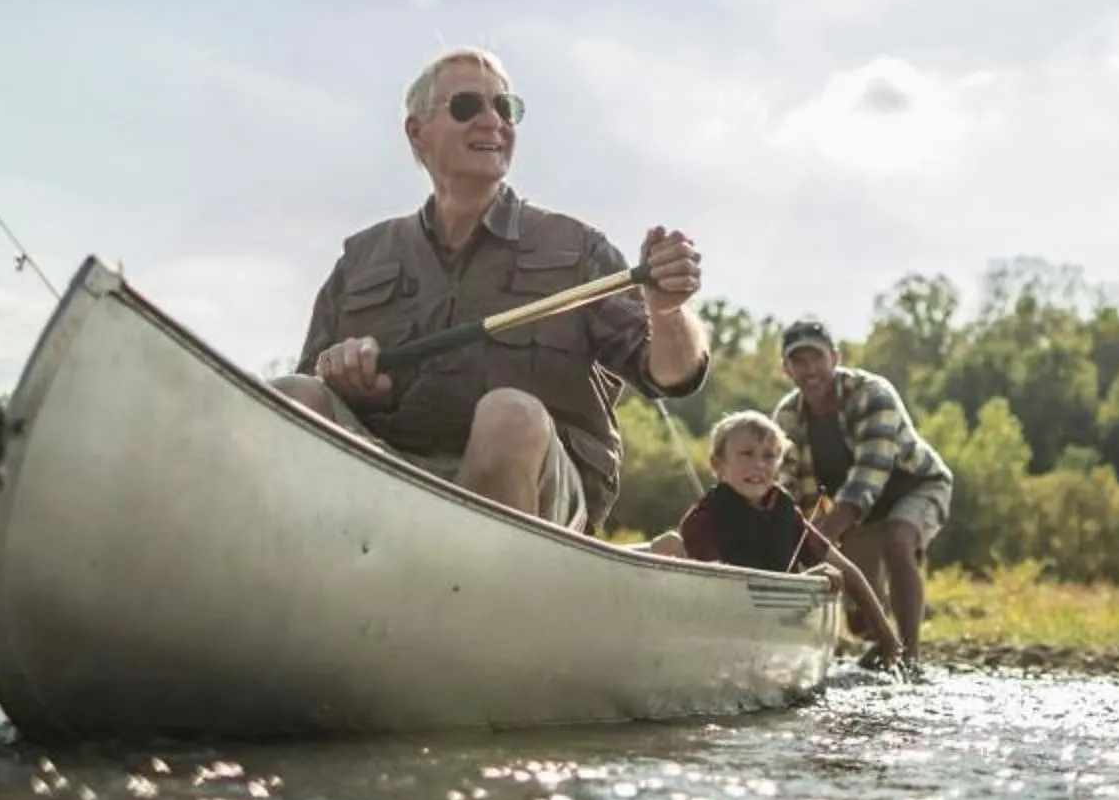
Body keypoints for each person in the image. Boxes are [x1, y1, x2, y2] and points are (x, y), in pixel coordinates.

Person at [272, 48, 709, 531]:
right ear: (417, 133)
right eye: (467, 107)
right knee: (290, 396)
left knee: (509, 417)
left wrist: (668, 312)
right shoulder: (361, 260)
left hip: (541, 502)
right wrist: (347, 380)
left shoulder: (576, 247)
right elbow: (306, 395)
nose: (492, 122)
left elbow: (672, 375)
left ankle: (501, 599)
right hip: (390, 475)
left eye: (506, 108)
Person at [772, 319, 954, 672]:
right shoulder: (787, 416)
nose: (810, 370)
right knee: (860, 619)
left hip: (915, 486)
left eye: (817, 359)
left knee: (898, 539)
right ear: (786, 368)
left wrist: (817, 540)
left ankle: (909, 657)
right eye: (799, 362)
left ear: (835, 357)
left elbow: (870, 475)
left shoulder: (872, 393)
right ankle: (884, 645)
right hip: (858, 514)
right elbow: (783, 488)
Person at [647, 411, 899, 664]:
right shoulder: (702, 520)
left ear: (779, 467)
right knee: (670, 543)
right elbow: (723, 588)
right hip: (720, 626)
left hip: (775, 626)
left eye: (769, 456)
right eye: (746, 454)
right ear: (717, 465)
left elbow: (848, 572)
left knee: (830, 571)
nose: (759, 464)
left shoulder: (785, 511)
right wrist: (805, 582)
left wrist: (888, 641)